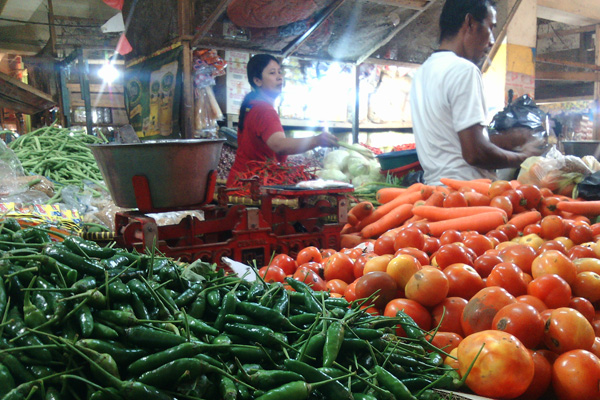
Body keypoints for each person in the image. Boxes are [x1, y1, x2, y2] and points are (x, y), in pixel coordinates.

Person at [409, 0, 545, 186]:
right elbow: (475, 153)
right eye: (490, 27)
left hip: (437, 191)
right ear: (470, 23)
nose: (491, 41)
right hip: (468, 193)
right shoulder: (464, 70)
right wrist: (524, 157)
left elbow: (452, 142)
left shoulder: (423, 72)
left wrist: (508, 139)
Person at [226, 54, 338, 187]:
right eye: (272, 73)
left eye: (280, 72)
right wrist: (316, 140)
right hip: (251, 187)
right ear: (257, 81)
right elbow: (279, 145)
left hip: (244, 181)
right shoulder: (264, 110)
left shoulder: (252, 104)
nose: (279, 77)